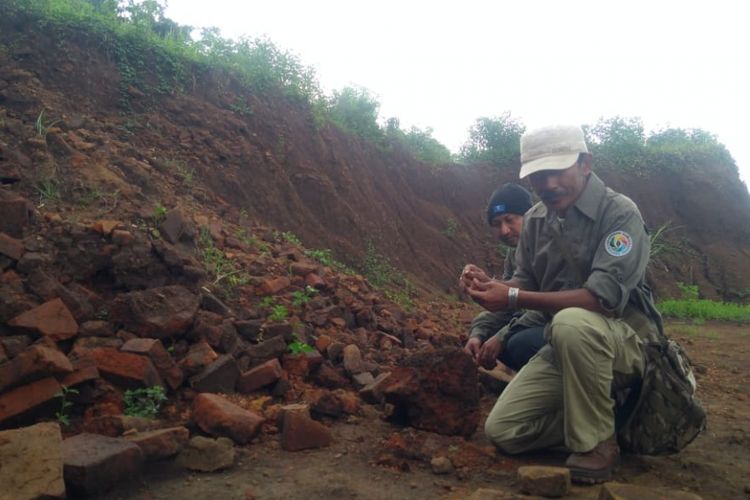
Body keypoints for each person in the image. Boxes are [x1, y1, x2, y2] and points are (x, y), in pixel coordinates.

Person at [460, 124, 664, 484]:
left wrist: (510, 296)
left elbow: (601, 299)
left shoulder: (619, 214)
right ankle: (615, 419)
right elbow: (525, 282)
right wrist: (489, 285)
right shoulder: (537, 220)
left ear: (585, 163)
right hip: (568, 341)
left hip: (626, 342)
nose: (548, 184)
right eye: (538, 175)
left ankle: (597, 443)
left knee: (570, 321)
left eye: (557, 171)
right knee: (504, 430)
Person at [463, 183, 546, 373]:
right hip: (534, 320)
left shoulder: (548, 246)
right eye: (496, 224)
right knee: (484, 330)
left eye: (510, 220)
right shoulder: (514, 253)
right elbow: (509, 305)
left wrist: (503, 336)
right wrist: (477, 334)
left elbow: (550, 309)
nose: (504, 230)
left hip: (562, 323)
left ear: (530, 214)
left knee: (519, 343)